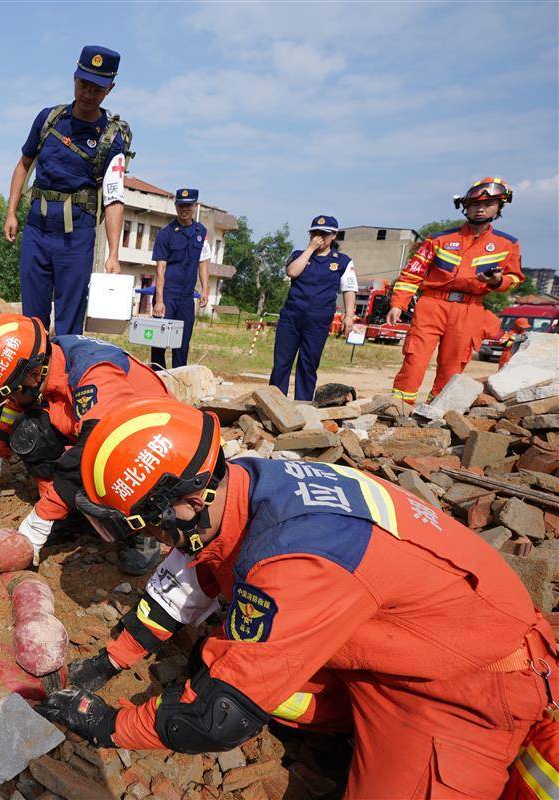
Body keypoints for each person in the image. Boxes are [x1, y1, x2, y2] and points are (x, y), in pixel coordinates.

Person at [36, 397, 557, 798]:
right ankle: (349, 727)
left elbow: (216, 720)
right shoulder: (246, 485)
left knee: (231, 691)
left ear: (190, 500)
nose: (154, 539)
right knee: (245, 672)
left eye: (152, 525)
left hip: (464, 683)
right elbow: (187, 582)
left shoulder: (296, 556)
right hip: (385, 635)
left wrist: (108, 725)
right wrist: (109, 662)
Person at [0, 313, 173, 574]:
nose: (9, 398)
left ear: (34, 375)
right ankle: (71, 513)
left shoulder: (96, 374)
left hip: (146, 444)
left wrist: (41, 518)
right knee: (30, 432)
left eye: (8, 390)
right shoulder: (44, 359)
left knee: (111, 467)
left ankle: (138, 531)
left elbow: (90, 455)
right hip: (89, 423)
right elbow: (14, 405)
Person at [4, 45, 132, 336]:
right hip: (37, 230)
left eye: (96, 89)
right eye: (82, 84)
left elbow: (114, 197)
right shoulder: (49, 119)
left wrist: (113, 254)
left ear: (109, 89)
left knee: (69, 324)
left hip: (77, 238)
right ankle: (33, 378)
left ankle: (63, 379)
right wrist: (11, 212)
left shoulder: (112, 137)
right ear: (74, 79)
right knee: (32, 323)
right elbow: (24, 165)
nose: (87, 94)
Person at [389, 178, 523, 406]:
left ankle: (438, 410)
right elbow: (413, 273)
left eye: (488, 204)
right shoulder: (439, 239)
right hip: (432, 305)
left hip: (470, 309)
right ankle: (398, 407)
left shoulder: (507, 244)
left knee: (453, 365)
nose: (480, 208)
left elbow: (515, 279)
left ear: (500, 207)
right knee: (415, 358)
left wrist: (497, 281)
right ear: (465, 206)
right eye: (474, 204)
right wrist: (397, 304)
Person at [268, 216, 359, 401]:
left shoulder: (342, 261)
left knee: (307, 364)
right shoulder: (299, 255)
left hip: (318, 319)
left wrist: (349, 316)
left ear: (334, 235)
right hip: (292, 316)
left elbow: (349, 289)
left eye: (325, 234)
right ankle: (275, 403)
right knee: (281, 363)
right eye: (315, 233)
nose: (320, 238)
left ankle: (303, 404)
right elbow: (292, 272)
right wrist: (310, 249)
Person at [150, 189, 212, 369]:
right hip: (167, 295)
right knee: (159, 343)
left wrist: (205, 289)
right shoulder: (165, 234)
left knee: (182, 344)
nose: (185, 209)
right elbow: (160, 269)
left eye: (189, 205)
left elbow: (203, 262)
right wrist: (159, 301)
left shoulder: (201, 231)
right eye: (181, 205)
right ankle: (158, 381)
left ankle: (178, 384)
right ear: (176, 206)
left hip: (186, 297)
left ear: (195, 206)